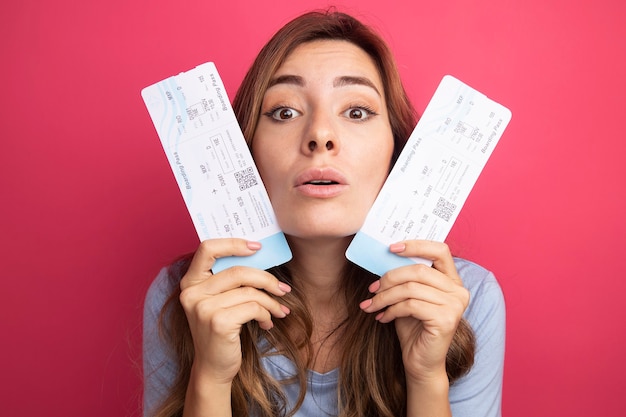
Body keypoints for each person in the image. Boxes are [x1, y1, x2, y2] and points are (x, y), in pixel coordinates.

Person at [143, 9, 505, 417]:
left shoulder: (468, 300)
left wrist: (426, 377)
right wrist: (209, 377)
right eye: (284, 112)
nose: (320, 135)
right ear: (247, 152)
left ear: (396, 152)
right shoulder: (185, 296)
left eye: (356, 112)